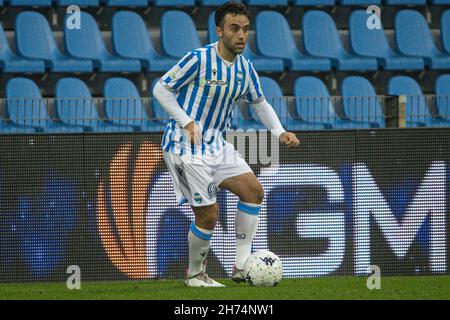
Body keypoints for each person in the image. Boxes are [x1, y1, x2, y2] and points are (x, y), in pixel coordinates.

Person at [153, 1, 300, 287]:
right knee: (208, 215)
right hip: (184, 145)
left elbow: (259, 103)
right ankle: (195, 275)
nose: (241, 35)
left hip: (216, 144)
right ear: (220, 31)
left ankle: (242, 264)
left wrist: (279, 131)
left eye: (245, 29)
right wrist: (186, 121)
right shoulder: (198, 59)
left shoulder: (245, 69)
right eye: (234, 29)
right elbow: (161, 88)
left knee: (253, 191)